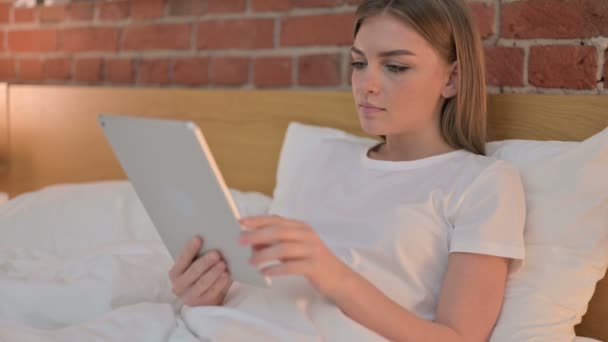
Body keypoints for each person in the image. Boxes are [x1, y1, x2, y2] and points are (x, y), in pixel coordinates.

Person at [168, 0, 526, 341]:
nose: (365, 84)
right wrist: (208, 291)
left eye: (395, 67)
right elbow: (269, 279)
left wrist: (334, 275)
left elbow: (459, 339)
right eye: (358, 63)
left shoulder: (482, 182)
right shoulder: (324, 156)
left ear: (452, 79)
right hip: (219, 327)